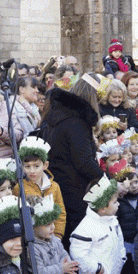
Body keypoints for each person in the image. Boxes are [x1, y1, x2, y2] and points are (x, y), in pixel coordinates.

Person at [40, 75, 103, 245]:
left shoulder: (59, 113)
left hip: (60, 183)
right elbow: (84, 162)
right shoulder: (76, 122)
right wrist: (106, 180)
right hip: (75, 189)